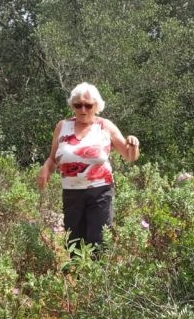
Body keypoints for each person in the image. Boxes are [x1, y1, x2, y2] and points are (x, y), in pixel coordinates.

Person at [37, 82, 140, 253]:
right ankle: (76, 271)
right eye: (78, 105)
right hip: (71, 193)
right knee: (73, 241)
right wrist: (46, 168)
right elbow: (53, 158)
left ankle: (98, 271)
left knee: (98, 241)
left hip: (100, 192)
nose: (83, 109)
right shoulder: (62, 126)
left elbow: (130, 156)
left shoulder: (105, 126)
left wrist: (134, 144)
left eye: (88, 105)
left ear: (96, 106)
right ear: (73, 106)